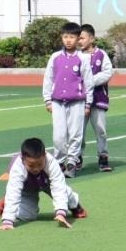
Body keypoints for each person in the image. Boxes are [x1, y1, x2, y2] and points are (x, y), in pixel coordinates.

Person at [0, 137, 86, 230]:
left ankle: (75, 207)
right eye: (31, 165)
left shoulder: (51, 162)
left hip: (48, 184)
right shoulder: (17, 167)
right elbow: (14, 192)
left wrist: (61, 213)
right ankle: (6, 204)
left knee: (65, 191)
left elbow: (58, 187)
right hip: (27, 188)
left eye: (39, 164)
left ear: (45, 156)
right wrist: (8, 221)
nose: (36, 169)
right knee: (28, 216)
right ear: (23, 160)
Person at [42, 21, 93, 178]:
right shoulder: (55, 57)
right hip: (57, 102)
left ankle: (71, 163)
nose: (68, 40)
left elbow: (88, 82)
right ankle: (59, 162)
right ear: (61, 38)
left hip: (77, 102)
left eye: (72, 37)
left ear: (78, 39)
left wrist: (88, 103)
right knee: (59, 136)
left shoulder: (83, 58)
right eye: (65, 37)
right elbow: (48, 78)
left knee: (75, 134)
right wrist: (47, 100)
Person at [78, 24, 114, 172]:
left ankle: (103, 157)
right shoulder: (76, 56)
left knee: (100, 130)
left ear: (92, 39)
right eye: (78, 38)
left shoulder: (101, 54)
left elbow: (108, 72)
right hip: (80, 100)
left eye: (82, 38)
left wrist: (90, 80)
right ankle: (76, 158)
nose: (79, 41)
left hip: (98, 98)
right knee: (78, 131)